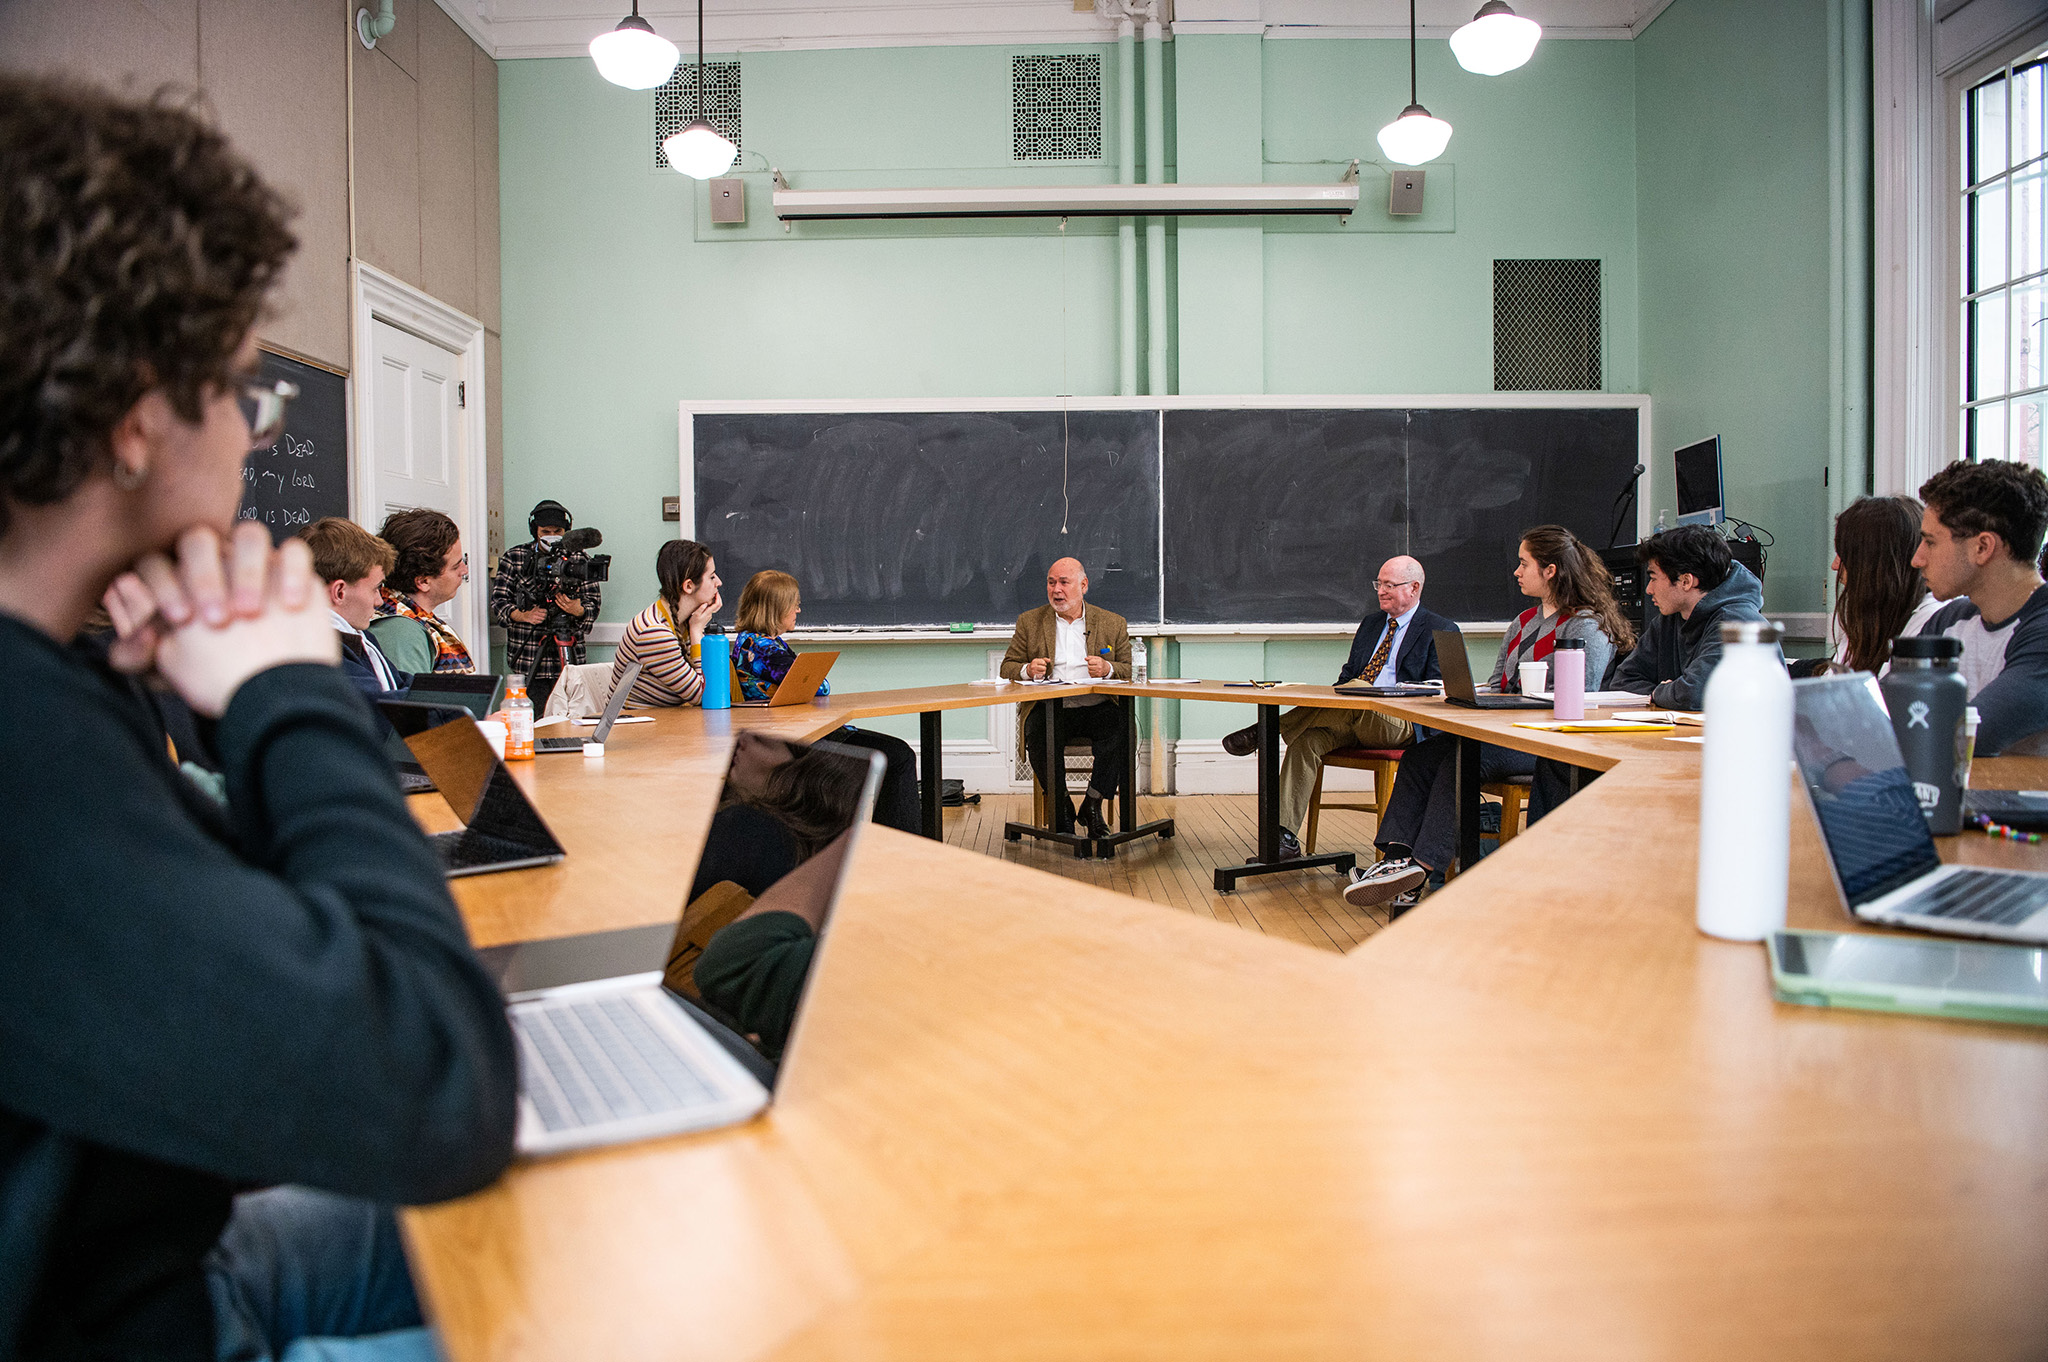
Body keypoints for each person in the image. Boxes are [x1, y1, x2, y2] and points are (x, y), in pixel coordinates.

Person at [0, 74, 516, 1362]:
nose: (249, 433)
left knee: (605, 1209)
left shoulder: (57, 687)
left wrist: (181, 692)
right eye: (244, 392)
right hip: (157, 1318)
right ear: (134, 413)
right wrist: (288, 693)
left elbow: (231, 945)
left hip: (146, 1256)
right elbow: (437, 1084)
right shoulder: (21, 748)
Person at [1343, 527, 1635, 914]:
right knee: (1422, 754)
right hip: (1501, 731)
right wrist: (1474, 694)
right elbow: (1500, 682)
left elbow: (1577, 693)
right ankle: (1395, 858)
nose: (1516, 571)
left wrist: (1504, 698)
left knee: (1460, 761)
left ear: (1549, 570)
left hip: (1542, 740)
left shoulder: (1586, 624)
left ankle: (1422, 868)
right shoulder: (1523, 621)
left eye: (1523, 563)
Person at [1217, 555, 1456, 860]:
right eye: (1378, 584)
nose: (1381, 591)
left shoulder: (1441, 628)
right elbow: (1347, 676)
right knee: (1308, 740)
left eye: (1389, 585)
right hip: (1355, 714)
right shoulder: (1371, 624)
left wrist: (1380, 692)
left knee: (1359, 688)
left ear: (1413, 588)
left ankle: (1268, 729)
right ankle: (1284, 837)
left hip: (1400, 721)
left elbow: (1438, 689)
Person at [733, 569, 921, 834]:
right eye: (794, 604)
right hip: (805, 741)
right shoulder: (763, 649)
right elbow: (818, 686)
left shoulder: (752, 643)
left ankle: (883, 847)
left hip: (800, 733)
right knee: (898, 756)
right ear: (776, 608)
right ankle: (897, 852)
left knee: (894, 753)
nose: (798, 611)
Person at [1911, 459, 2048, 755]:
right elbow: (1885, 713)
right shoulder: (1948, 621)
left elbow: (1969, 738)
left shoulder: (2043, 634)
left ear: (1983, 547)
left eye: (1930, 543)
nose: (1917, 559)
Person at [999, 557, 1130, 840]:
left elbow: (1129, 670)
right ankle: (1063, 811)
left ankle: (1092, 805)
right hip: (1052, 707)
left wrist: (1108, 669)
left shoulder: (1112, 623)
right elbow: (1007, 667)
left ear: (1083, 586)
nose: (1056, 590)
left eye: (1064, 582)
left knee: (1123, 728)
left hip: (1097, 705)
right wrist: (1027, 669)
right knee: (1038, 735)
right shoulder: (1030, 621)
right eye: (1051, 582)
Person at [1608, 524, 1770, 709]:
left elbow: (1695, 694)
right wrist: (1669, 693)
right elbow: (1622, 682)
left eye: (1653, 578)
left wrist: (1657, 693)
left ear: (1686, 581)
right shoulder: (1667, 620)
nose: (1648, 589)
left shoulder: (1739, 623)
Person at [1796, 494, 1941, 679]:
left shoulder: (1931, 626)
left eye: (1843, 554)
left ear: (1874, 563)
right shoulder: (1870, 620)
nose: (1834, 565)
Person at [489, 498, 599, 711]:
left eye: (557, 530)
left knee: (572, 717)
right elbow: (499, 603)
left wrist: (578, 610)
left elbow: (593, 604)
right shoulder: (515, 557)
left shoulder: (579, 559)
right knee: (531, 720)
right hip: (528, 659)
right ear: (535, 530)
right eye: (545, 531)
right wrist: (523, 615)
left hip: (569, 660)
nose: (551, 536)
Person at [303, 516, 413, 702]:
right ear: (339, 592)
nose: (379, 601)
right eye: (376, 589)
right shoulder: (318, 651)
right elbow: (378, 707)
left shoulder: (361, 638)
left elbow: (402, 682)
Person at [612, 538, 721, 707]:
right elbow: (704, 696)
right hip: (636, 729)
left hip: (664, 724)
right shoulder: (654, 632)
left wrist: (695, 628)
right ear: (689, 586)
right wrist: (697, 632)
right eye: (712, 577)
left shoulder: (683, 621)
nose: (718, 583)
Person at [368, 507, 474, 674]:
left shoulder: (416, 618)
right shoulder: (401, 632)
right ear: (423, 581)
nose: (464, 570)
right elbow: (408, 699)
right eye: (455, 566)